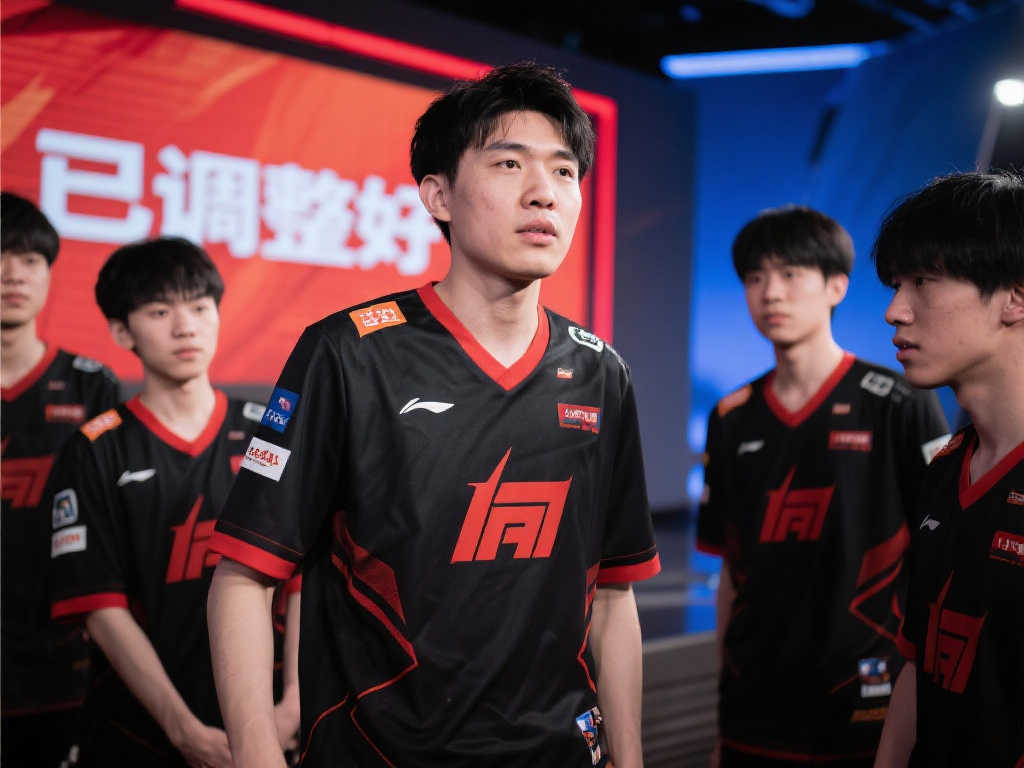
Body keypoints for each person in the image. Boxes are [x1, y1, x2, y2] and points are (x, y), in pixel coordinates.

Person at [207, 62, 661, 768]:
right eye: (509, 164)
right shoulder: (347, 354)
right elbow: (243, 578)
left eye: (564, 171)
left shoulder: (602, 374)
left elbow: (612, 596)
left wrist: (629, 759)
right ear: (438, 195)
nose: (543, 191)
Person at [696, 205, 950, 766]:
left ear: (837, 286)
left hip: (867, 699)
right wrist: (721, 705)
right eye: (755, 277)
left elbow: (941, 560)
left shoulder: (899, 402)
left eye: (790, 274)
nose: (771, 293)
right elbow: (730, 575)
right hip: (753, 704)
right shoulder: (730, 417)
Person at [47, 237, 299, 767]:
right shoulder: (95, 449)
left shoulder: (270, 431)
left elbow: (302, 577)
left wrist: (291, 708)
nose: (186, 327)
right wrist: (183, 730)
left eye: (200, 307)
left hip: (276, 725)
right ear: (122, 331)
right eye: (160, 312)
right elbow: (100, 604)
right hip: (139, 732)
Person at [871, 171, 1024, 767]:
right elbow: (919, 662)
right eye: (897, 285)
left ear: (1015, 297)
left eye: (924, 283)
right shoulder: (946, 467)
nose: (894, 311)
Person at [1, 191, 120, 767]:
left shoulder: (90, 385)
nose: (13, 274)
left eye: (30, 259)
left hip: (63, 662)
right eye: (1, 256)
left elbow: (112, 532)